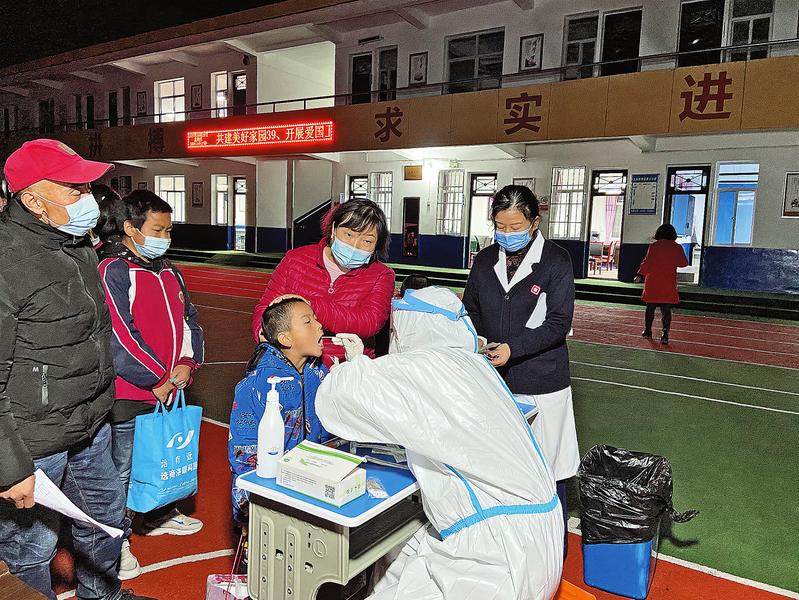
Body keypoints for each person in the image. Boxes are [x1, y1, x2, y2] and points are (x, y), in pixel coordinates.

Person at [315, 286, 563, 600]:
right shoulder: (475, 366)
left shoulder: (426, 367)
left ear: (412, 328)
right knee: (399, 550)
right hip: (539, 537)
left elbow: (335, 401)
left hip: (498, 559)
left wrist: (355, 366)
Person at [0, 139, 155, 600]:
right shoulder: (7, 261)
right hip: (32, 441)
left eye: (86, 187)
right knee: (32, 548)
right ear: (33, 200)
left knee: (105, 519)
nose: (88, 198)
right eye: (74, 189)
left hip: (89, 425)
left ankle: (102, 594)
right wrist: (10, 466)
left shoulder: (77, 244)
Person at [461, 184, 578, 555]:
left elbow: (558, 323)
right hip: (495, 380)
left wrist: (514, 349)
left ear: (534, 222)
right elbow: (471, 309)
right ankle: (508, 550)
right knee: (501, 467)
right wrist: (479, 340)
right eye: (500, 226)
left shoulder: (556, 261)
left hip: (542, 381)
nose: (507, 234)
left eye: (515, 227)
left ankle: (552, 553)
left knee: (549, 469)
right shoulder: (484, 260)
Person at [97, 190, 205, 579]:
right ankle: (115, 543)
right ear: (130, 228)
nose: (165, 237)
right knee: (122, 469)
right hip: (131, 392)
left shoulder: (169, 270)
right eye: (157, 230)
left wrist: (187, 363)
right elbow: (119, 335)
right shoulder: (113, 270)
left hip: (171, 385)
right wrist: (156, 377)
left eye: (168, 230)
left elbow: (190, 320)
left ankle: (156, 514)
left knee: (162, 457)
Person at [229, 298, 361, 523]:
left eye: (316, 319)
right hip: (272, 492)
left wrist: (354, 367)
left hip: (311, 481)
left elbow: (344, 412)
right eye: (308, 321)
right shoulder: (259, 384)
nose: (319, 325)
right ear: (285, 339)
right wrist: (249, 506)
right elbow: (244, 450)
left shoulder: (317, 371)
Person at [252, 198, 395, 365]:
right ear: (333, 229)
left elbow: (369, 321)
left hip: (347, 367)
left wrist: (310, 307)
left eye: (367, 241)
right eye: (349, 234)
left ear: (377, 245)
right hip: (290, 364)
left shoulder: (382, 275)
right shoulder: (294, 259)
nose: (355, 245)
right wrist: (263, 333)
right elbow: (266, 307)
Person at [636, 223, 689, 346]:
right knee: (666, 310)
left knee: (650, 308)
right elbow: (683, 263)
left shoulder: (654, 246)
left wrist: (640, 275)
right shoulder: (677, 247)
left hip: (653, 281)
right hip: (668, 281)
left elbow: (647, 262)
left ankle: (648, 330)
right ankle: (665, 334)